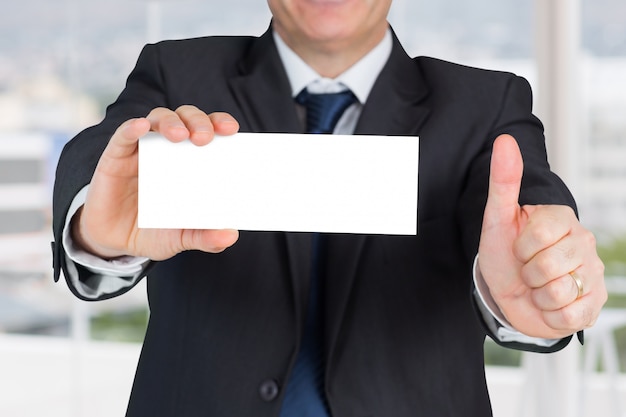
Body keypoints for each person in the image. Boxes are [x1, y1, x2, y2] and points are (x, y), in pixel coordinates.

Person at [51, 0, 607, 416]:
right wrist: (94, 231)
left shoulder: (485, 104)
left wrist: (544, 275)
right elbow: (96, 153)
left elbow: (529, 200)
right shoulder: (178, 74)